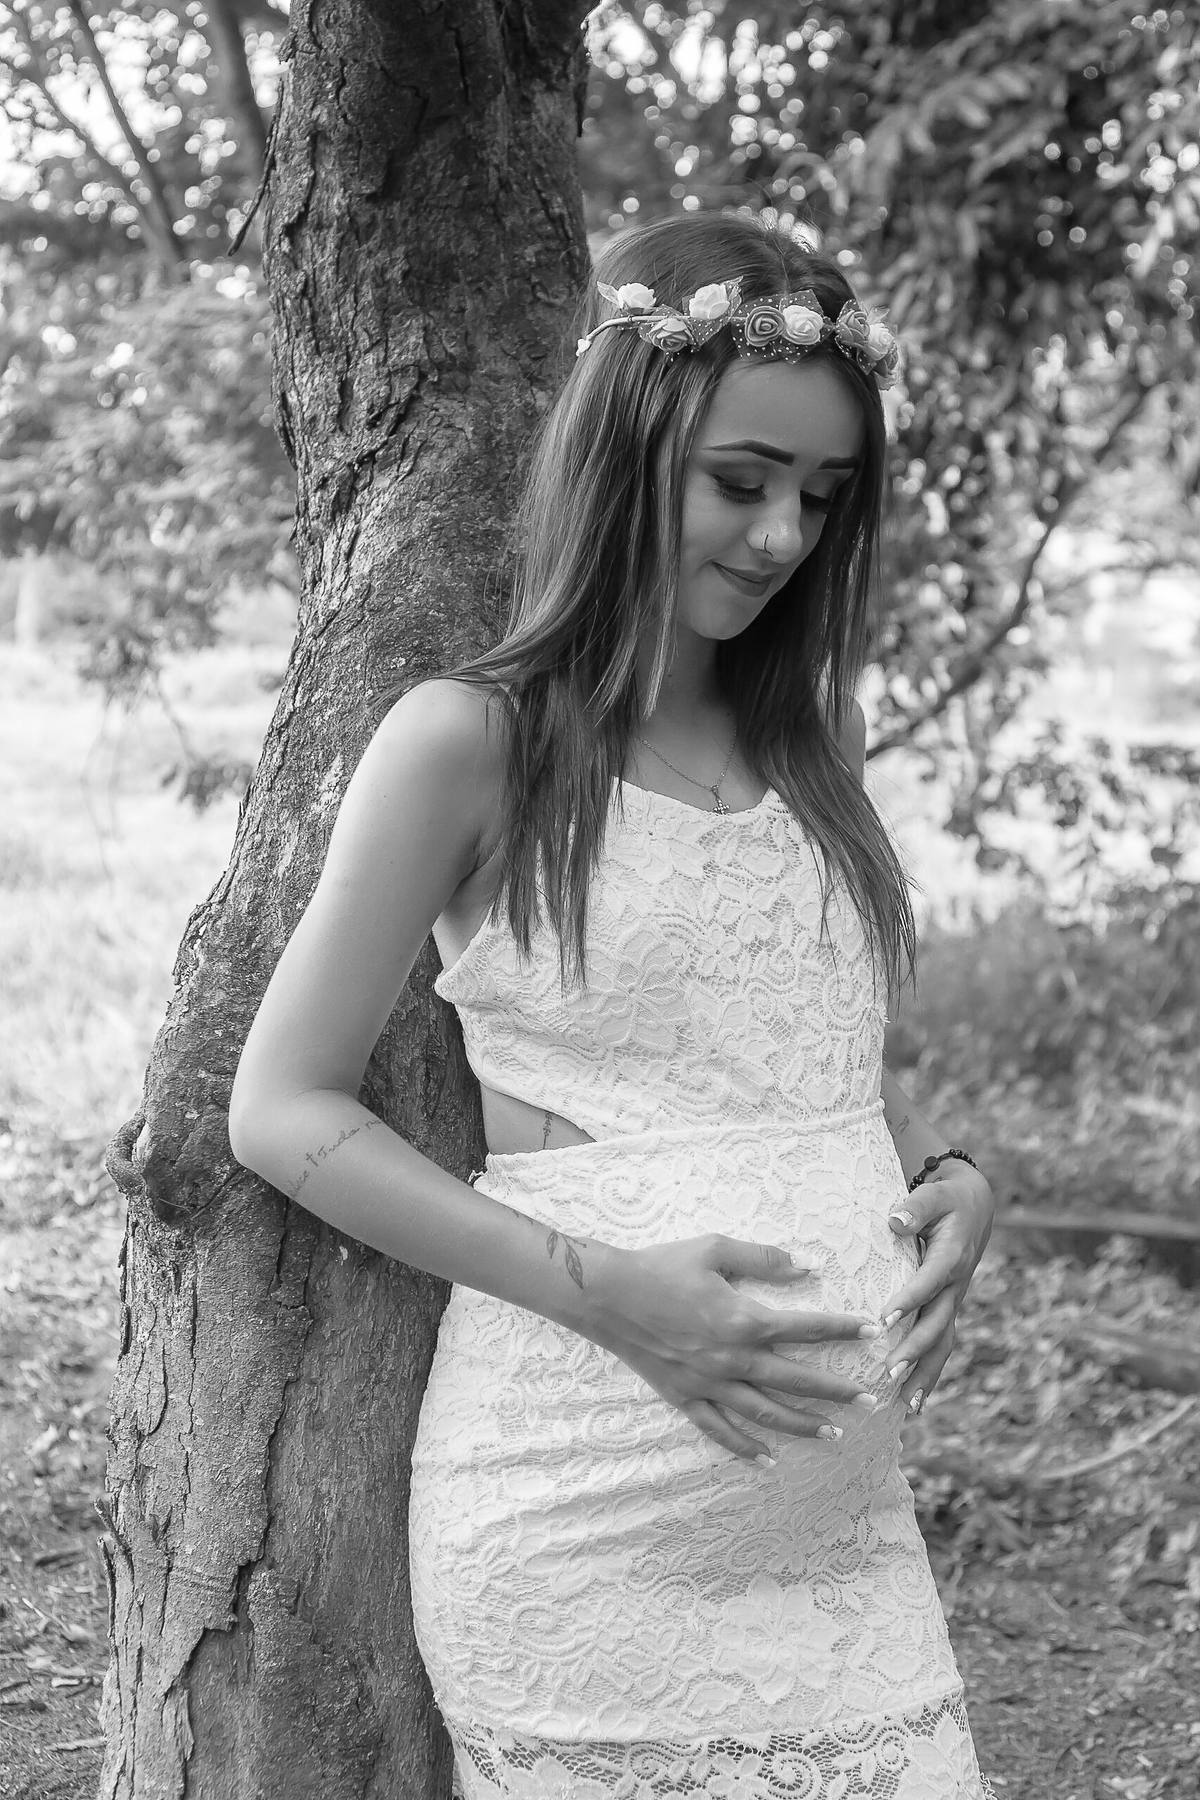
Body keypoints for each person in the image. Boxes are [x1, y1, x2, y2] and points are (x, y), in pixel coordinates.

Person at [229, 212, 997, 1799]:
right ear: (625, 447)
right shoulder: (470, 744)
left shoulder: (819, 736)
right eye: (741, 480)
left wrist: (943, 1178)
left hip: (847, 1547)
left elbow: (799, 1044)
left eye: (821, 497)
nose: (781, 536)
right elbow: (280, 1110)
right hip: (583, 1524)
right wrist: (611, 1295)